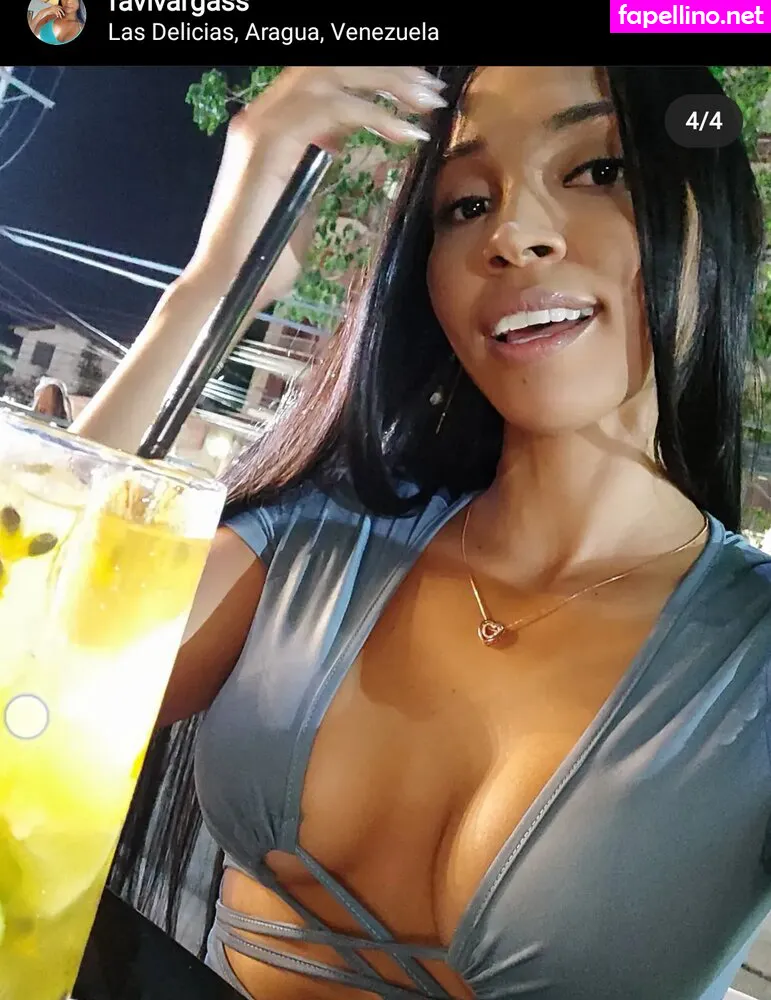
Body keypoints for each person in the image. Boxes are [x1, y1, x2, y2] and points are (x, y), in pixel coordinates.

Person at [71, 67, 769, 1000]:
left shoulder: (749, 661)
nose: (511, 235)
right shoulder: (317, 544)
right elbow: (30, 676)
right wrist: (216, 284)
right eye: (466, 204)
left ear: (716, 218)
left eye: (600, 170)